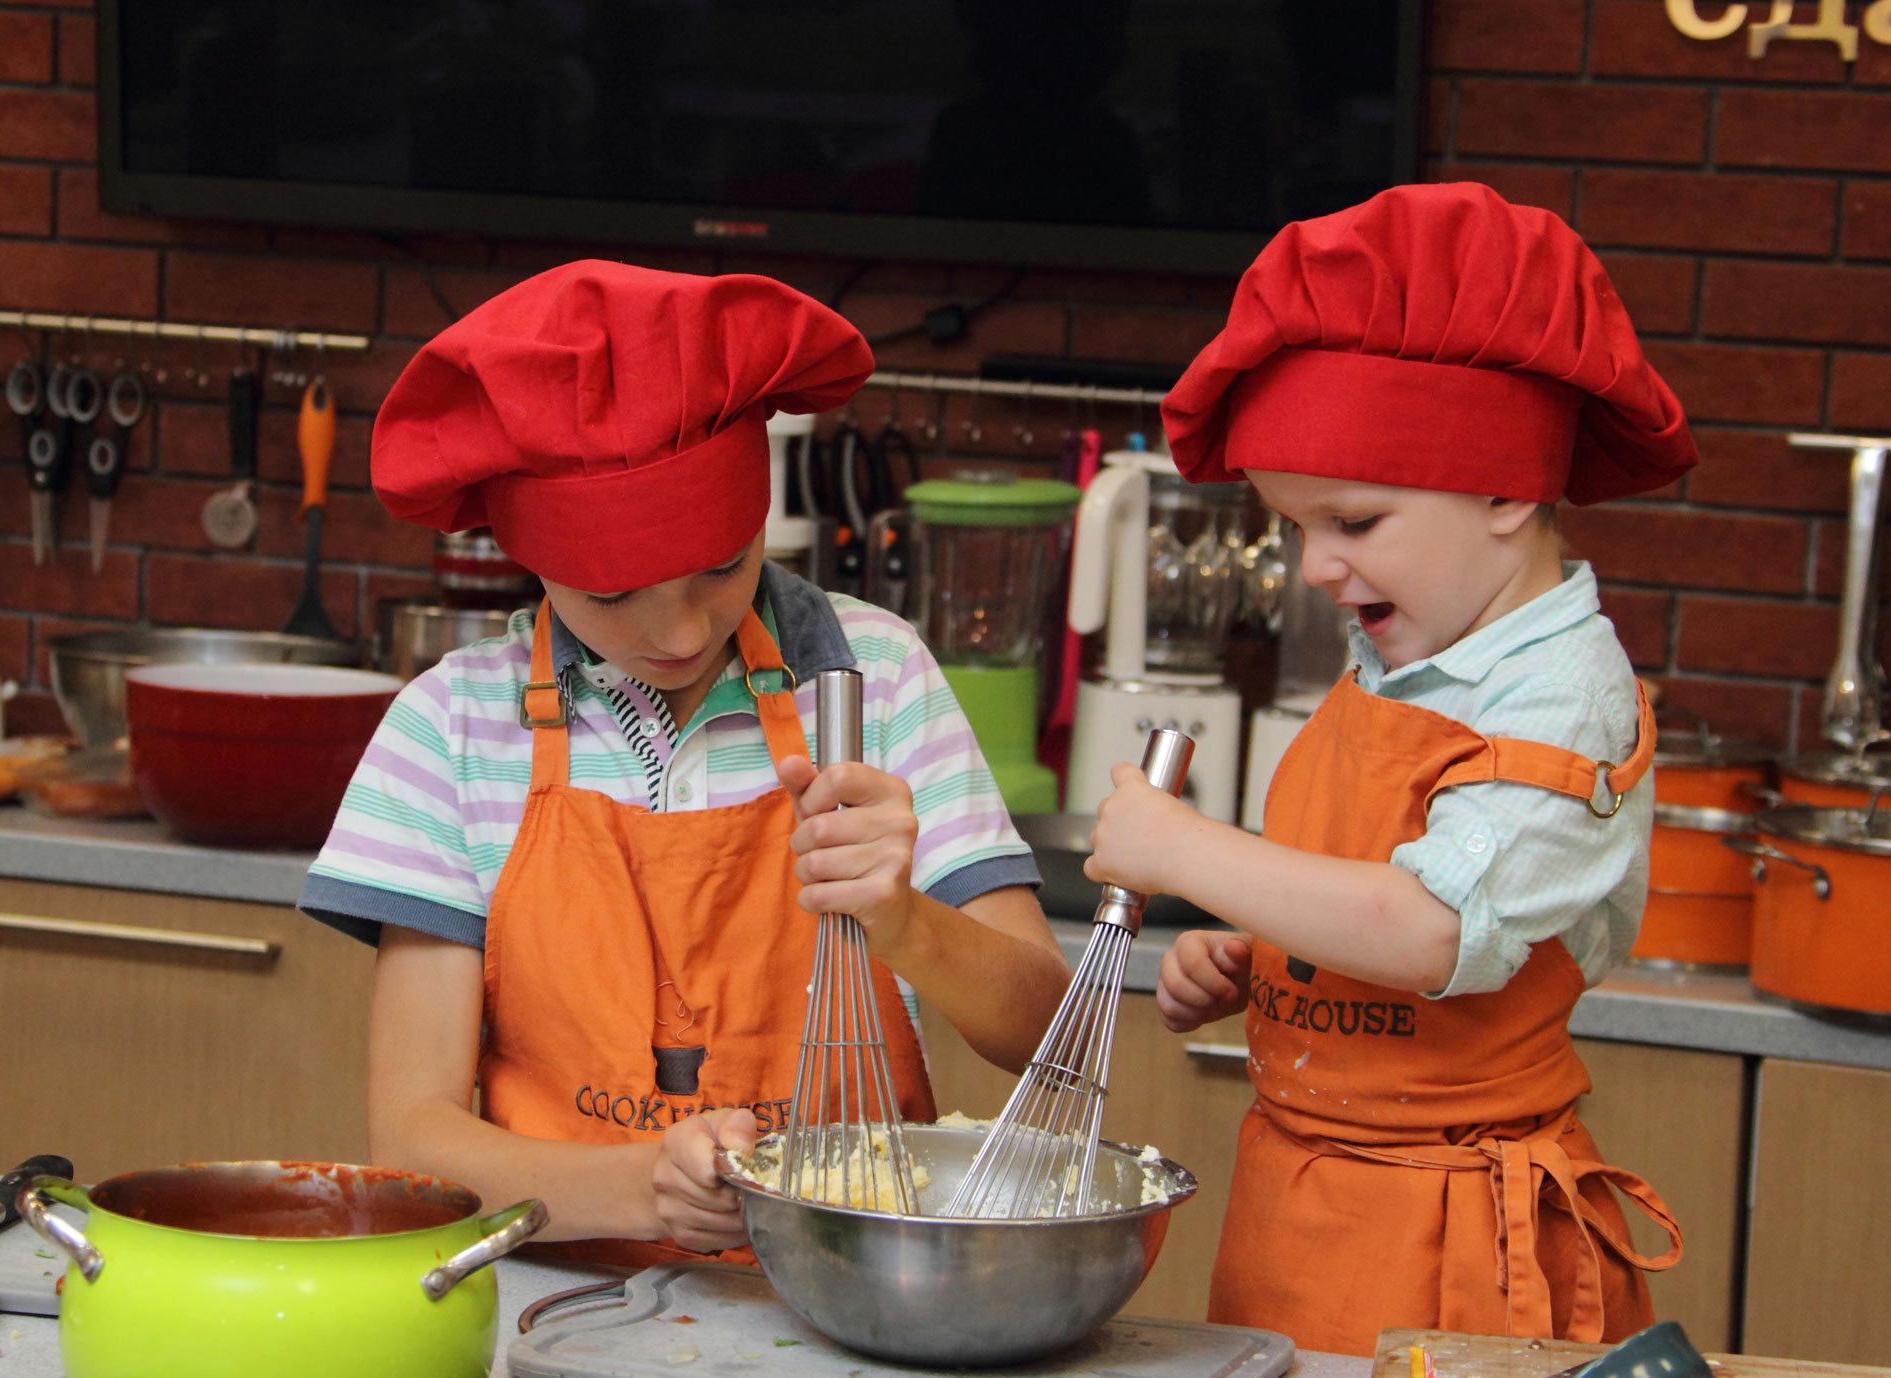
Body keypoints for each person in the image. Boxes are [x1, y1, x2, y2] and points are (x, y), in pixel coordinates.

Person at [300, 261, 1069, 1266]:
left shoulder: (876, 680)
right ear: (525, 554)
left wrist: (907, 921)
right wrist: (646, 1183)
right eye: (613, 591)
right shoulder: (449, 729)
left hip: (855, 1313)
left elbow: (1046, 1035)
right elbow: (412, 1139)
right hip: (554, 1319)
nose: (680, 629)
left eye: (721, 563)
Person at [1083, 183, 1692, 1353]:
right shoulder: (1415, 649)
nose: (1317, 567)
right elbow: (1369, 878)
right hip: (1303, 1204)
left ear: (1508, 488)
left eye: (1354, 521)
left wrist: (1189, 851)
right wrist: (1272, 959)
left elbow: (1426, 931)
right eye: (1295, 526)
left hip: (1453, 1245)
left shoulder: (1562, 695)